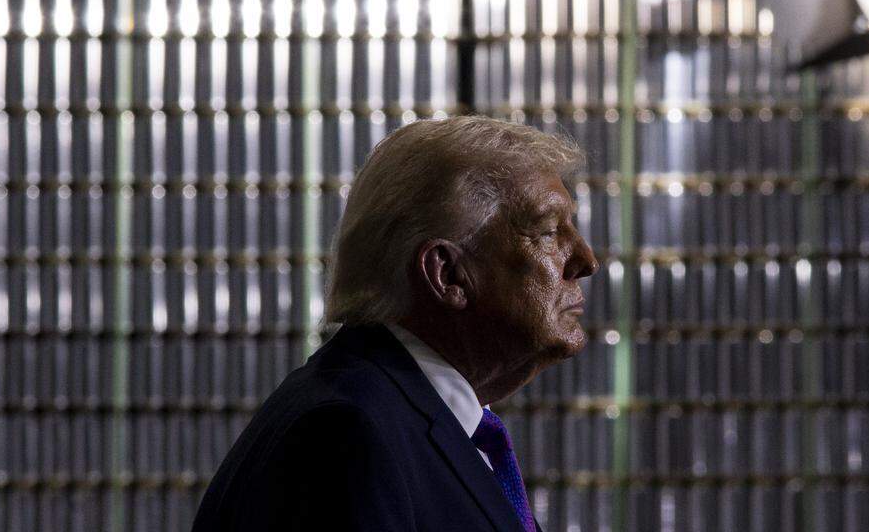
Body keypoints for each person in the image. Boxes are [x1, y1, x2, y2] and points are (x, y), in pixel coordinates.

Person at [191, 116, 600, 532]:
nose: (586, 260)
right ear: (447, 274)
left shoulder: (405, 416)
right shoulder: (347, 434)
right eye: (549, 231)